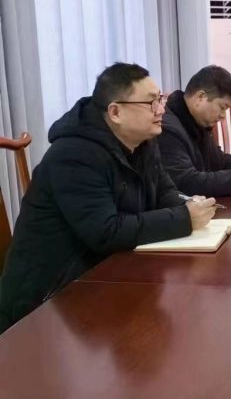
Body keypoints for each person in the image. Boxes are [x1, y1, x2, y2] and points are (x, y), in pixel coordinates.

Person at [0, 63, 216, 331]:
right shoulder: (74, 155)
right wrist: (183, 218)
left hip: (105, 278)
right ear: (115, 112)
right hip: (47, 304)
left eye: (160, 99)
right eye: (151, 102)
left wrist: (189, 205)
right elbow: (105, 231)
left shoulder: (143, 142)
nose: (161, 109)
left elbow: (164, 192)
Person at [159, 65, 231, 197]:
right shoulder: (167, 130)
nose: (223, 116)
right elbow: (188, 183)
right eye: (222, 107)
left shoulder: (196, 121)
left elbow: (218, 161)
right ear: (201, 97)